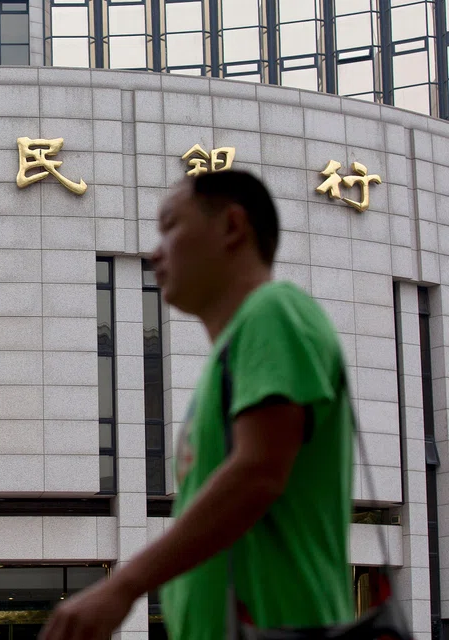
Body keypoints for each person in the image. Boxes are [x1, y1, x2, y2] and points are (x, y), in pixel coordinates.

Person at [39, 170, 354, 640]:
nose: (155, 252)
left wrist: (123, 585)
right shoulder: (229, 356)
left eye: (171, 226)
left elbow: (258, 472)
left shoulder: (273, 310)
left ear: (232, 226)